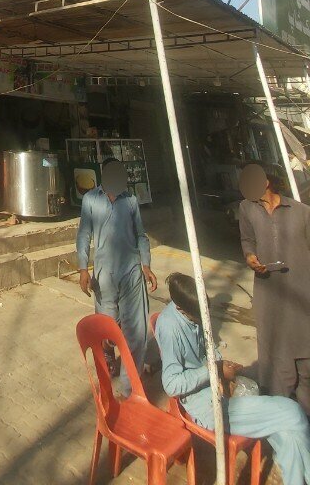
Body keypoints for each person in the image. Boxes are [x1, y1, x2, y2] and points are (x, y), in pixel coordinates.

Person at [156, 272, 310, 485]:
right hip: (208, 407)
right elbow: (171, 384)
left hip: (219, 389)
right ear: (181, 308)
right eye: (198, 316)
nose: (203, 320)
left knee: (288, 435)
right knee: (293, 413)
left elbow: (209, 346)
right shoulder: (170, 328)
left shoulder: (193, 313)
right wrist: (214, 370)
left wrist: (222, 364)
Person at [76, 158, 157, 395]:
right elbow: (84, 234)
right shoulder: (90, 199)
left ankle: (129, 388)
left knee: (137, 331)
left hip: (132, 270)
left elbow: (141, 235)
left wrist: (146, 264)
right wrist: (83, 268)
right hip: (103, 274)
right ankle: (109, 352)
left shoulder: (130, 201)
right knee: (108, 325)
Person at [238, 162, 310, 414]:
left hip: (301, 297)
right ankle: (283, 422)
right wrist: (250, 256)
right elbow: (247, 239)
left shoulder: (301, 212)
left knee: (305, 361)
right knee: (277, 361)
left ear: (266, 182)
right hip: (269, 297)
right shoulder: (246, 209)